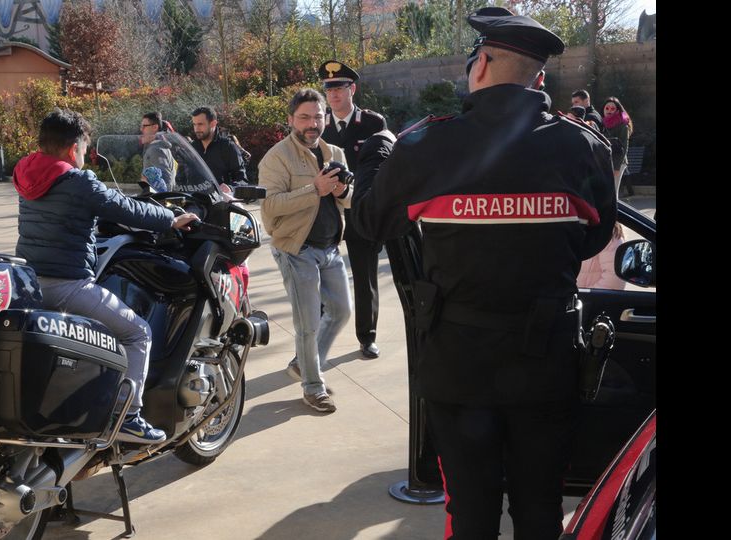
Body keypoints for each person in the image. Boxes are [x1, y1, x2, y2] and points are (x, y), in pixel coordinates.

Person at [349, 8, 616, 538]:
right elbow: (592, 237)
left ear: (482, 64)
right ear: (539, 78)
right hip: (548, 358)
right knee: (540, 509)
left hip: (459, 361)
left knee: (469, 513)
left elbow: (370, 223)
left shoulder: (429, 144)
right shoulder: (584, 147)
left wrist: (377, 165)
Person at [14, 108, 199, 444]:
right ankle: (127, 416)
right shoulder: (77, 180)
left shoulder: (27, 174)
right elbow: (124, 207)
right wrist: (169, 218)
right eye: (84, 149)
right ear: (73, 149)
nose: (85, 156)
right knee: (137, 333)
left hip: (28, 283)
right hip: (67, 285)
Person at [259, 88, 353, 413]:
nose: (312, 123)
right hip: (295, 250)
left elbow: (349, 199)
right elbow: (270, 206)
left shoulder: (335, 152)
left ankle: (304, 362)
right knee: (308, 323)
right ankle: (313, 387)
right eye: (304, 117)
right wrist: (314, 188)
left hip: (329, 249)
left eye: (318, 116)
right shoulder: (276, 157)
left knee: (341, 311)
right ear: (290, 119)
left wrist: (342, 189)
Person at [318, 60, 388, 360]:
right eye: (329, 88)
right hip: (329, 211)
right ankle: (320, 338)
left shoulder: (372, 124)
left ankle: (367, 335)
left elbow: (383, 166)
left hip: (360, 207)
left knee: (364, 274)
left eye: (340, 87)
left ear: (352, 89)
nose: (334, 94)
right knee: (321, 275)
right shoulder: (318, 125)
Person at [190, 106, 249, 191]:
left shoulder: (228, 147)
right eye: (194, 124)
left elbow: (242, 180)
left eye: (200, 124)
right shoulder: (191, 148)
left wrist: (230, 187)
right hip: (193, 201)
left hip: (221, 201)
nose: (196, 129)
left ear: (213, 123)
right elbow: (180, 179)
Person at [577, 222, 626, 290]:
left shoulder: (607, 233)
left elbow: (613, 281)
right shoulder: (568, 226)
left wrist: (586, 297)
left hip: (589, 298)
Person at [603, 96, 634, 195]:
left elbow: (624, 147)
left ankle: (613, 210)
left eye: (612, 109)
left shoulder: (622, 125)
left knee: (613, 193)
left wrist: (616, 167)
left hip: (618, 162)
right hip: (607, 161)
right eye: (607, 108)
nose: (609, 111)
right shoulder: (603, 123)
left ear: (617, 110)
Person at [140, 112, 176, 189]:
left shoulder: (156, 149)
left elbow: (166, 182)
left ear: (155, 127)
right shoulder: (157, 147)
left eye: (144, 126)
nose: (141, 129)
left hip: (158, 200)